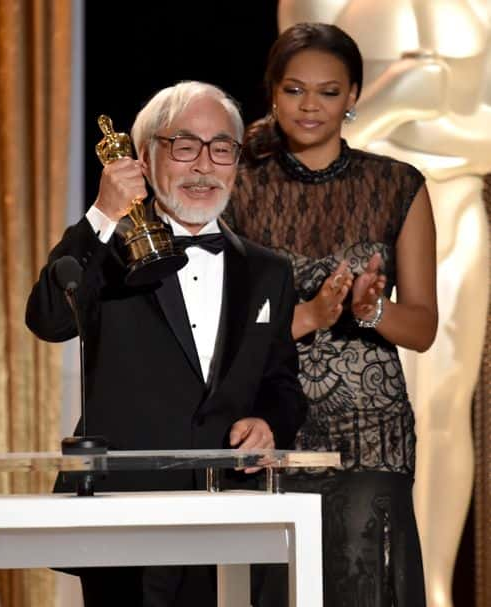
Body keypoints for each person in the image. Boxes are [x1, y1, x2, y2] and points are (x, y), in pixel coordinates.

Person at [25, 81, 307, 607]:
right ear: (145, 161)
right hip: (122, 516)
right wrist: (102, 216)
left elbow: (282, 384)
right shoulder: (103, 255)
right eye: (184, 145)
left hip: (233, 516)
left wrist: (270, 422)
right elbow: (46, 320)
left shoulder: (269, 270)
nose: (204, 164)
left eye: (221, 147)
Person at [279, 4, 490, 607]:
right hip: (338, 213)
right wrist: (400, 99)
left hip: (451, 200)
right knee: (322, 408)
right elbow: (307, 114)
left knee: (446, 407)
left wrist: (415, 112)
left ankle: (438, 582)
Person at [225, 22, 438, 607]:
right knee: (281, 591)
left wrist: (371, 311)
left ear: (353, 97)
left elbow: (421, 328)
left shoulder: (397, 185)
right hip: (271, 425)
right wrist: (311, 316)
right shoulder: (238, 188)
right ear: (273, 92)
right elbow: (219, 334)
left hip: (371, 429)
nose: (310, 105)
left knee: (367, 585)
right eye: (295, 90)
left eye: (327, 91)